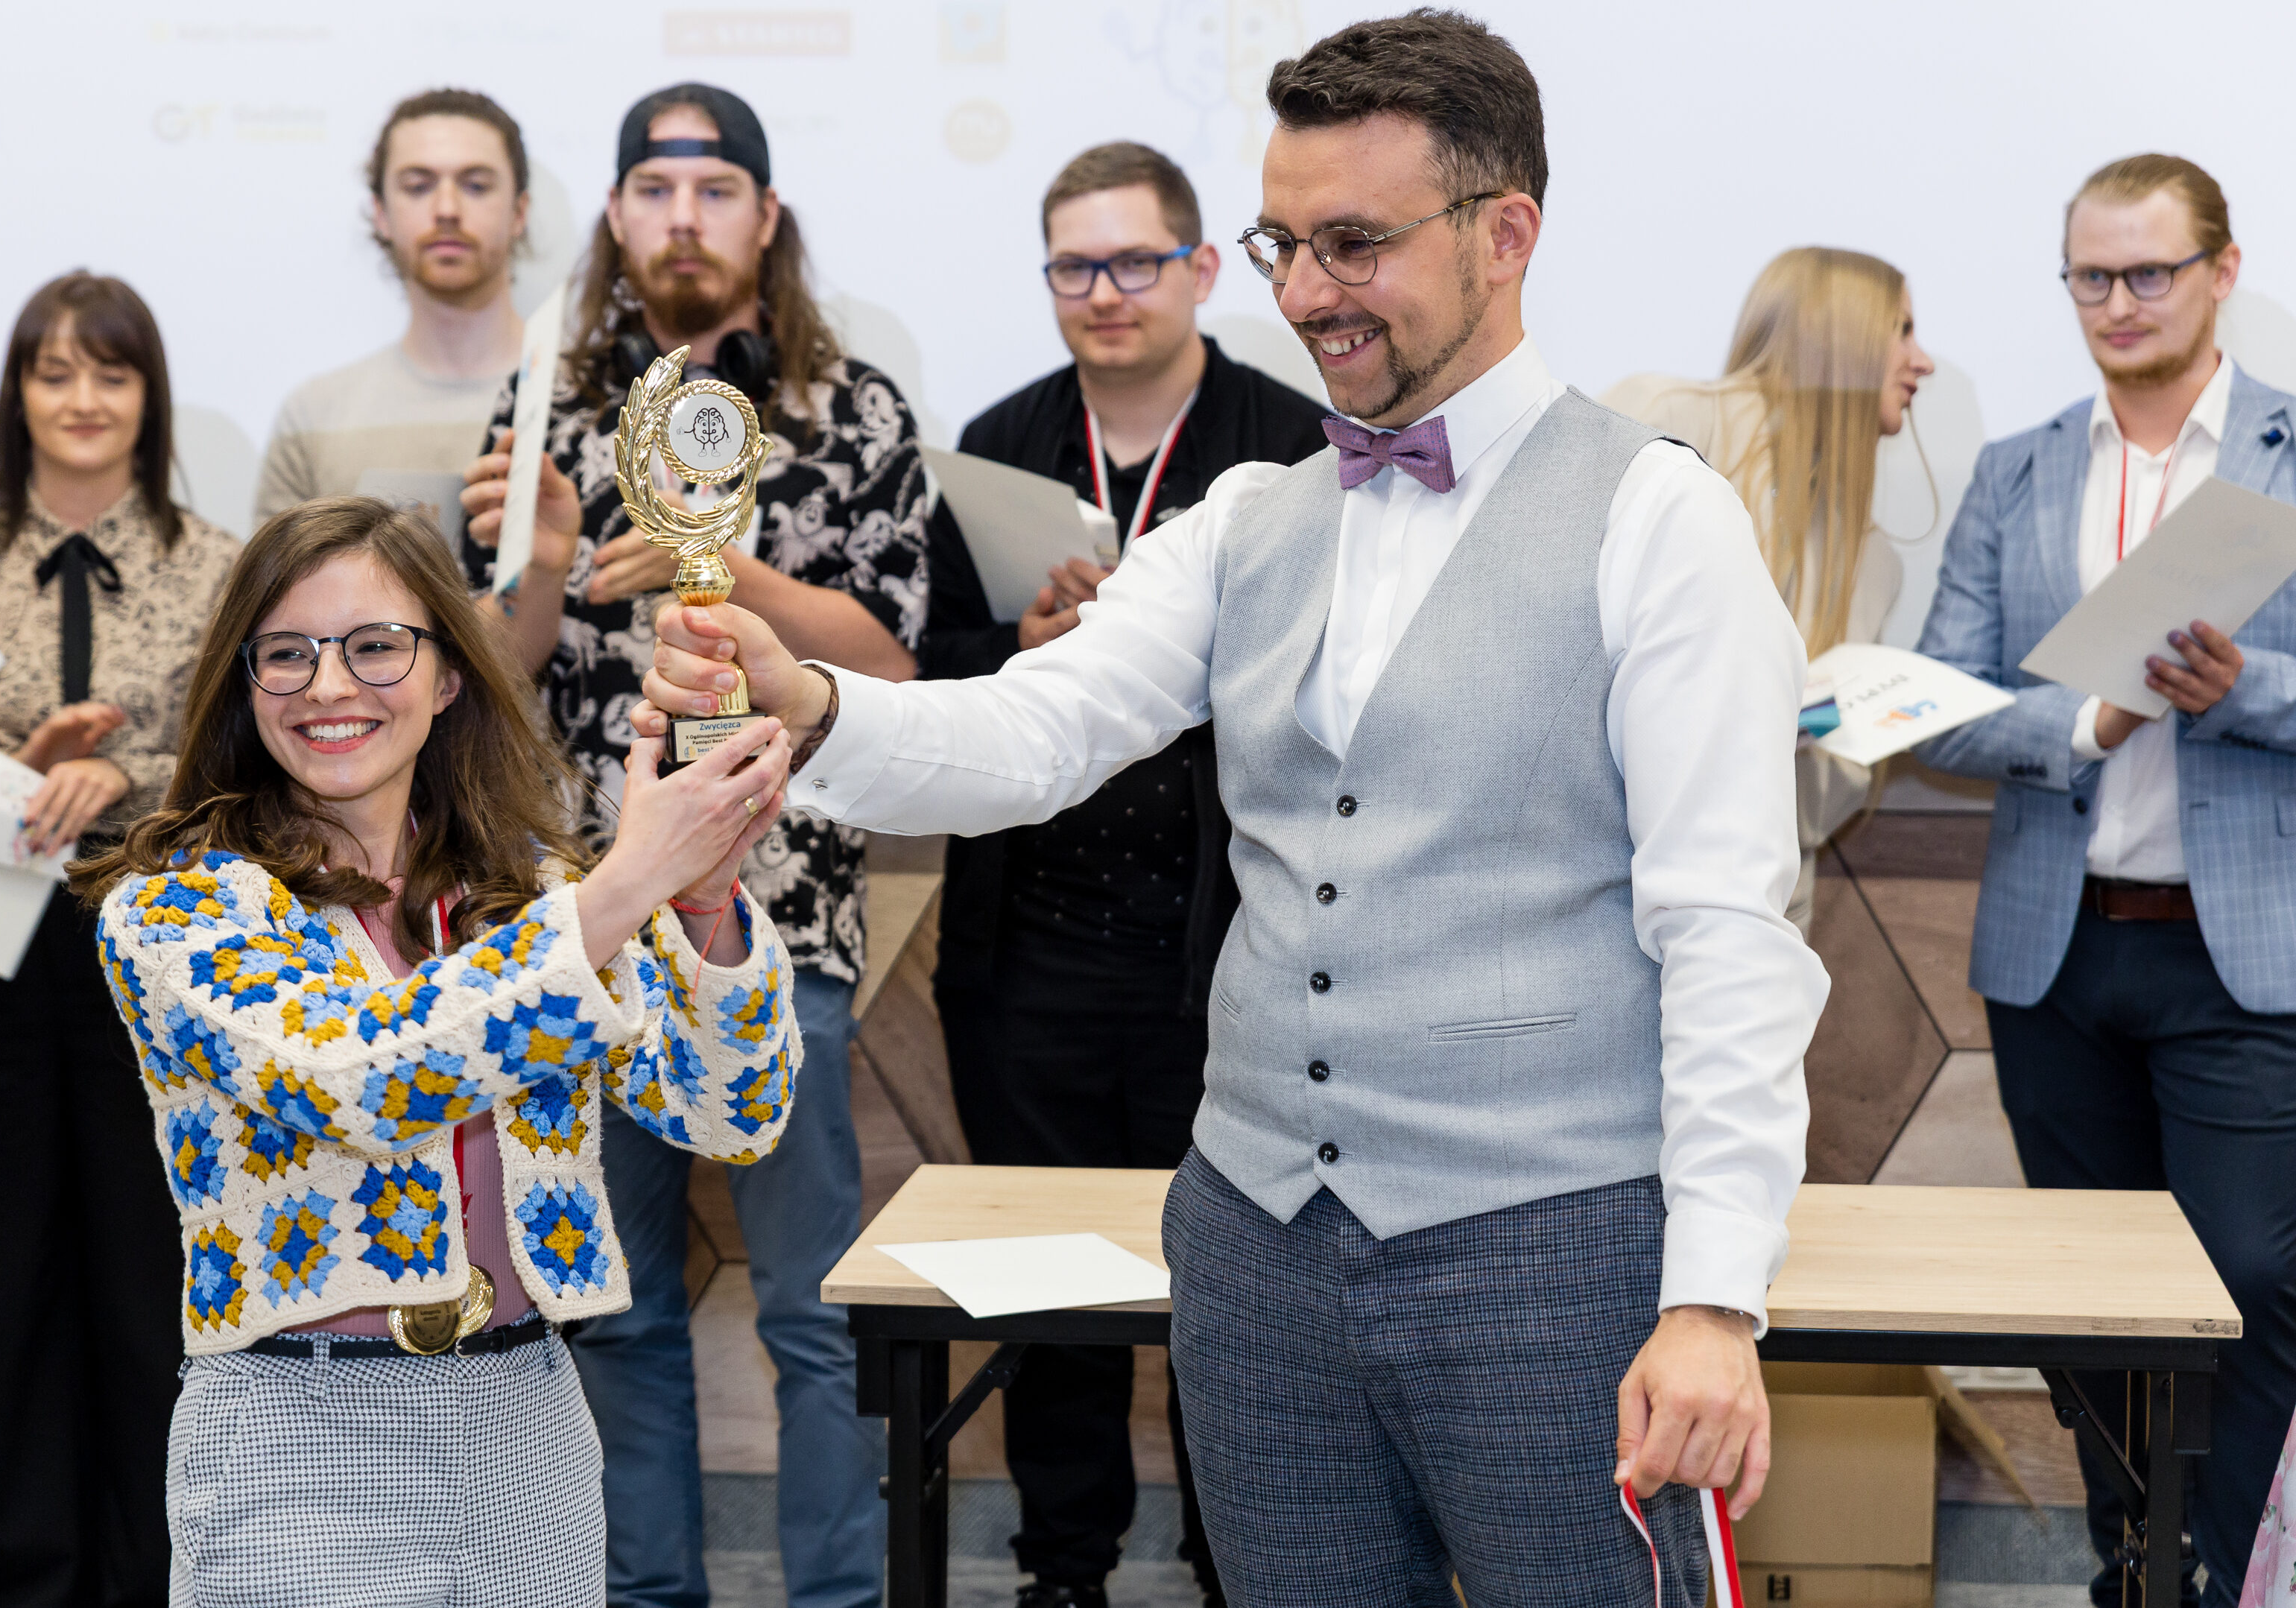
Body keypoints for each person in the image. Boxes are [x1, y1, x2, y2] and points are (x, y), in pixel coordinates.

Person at [638, 14, 1829, 1604]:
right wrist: (815, 703)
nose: (1309, 291)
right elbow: (1037, 731)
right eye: (1284, 243)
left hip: (1552, 1250)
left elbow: (1730, 930)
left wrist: (1715, 1300)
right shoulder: (1246, 516)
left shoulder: (1660, 519)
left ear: (1507, 233)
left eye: (1356, 243)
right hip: (1255, 1247)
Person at [75, 497, 799, 1602]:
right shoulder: (176, 909)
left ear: (449, 675)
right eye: (287, 653)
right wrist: (625, 885)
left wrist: (702, 898)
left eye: (376, 646)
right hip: (293, 1434)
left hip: (530, 1424)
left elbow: (730, 1115)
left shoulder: (532, 893)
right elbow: (354, 1079)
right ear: (242, 684)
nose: (329, 685)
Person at [459, 80, 927, 1608]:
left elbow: (899, 669)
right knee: (616, 1311)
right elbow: (486, 680)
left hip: (780, 924)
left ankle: (839, 1597)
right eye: (654, 190)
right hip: (581, 923)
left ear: (766, 216)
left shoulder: (856, 410)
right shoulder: (540, 408)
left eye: (715, 189)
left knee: (816, 1312)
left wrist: (725, 566)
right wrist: (542, 565)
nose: (683, 218)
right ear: (614, 215)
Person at [919, 138, 1325, 1608]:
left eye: (1135, 261)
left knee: (1239, 1291)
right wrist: (1026, 646)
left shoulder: (1292, 441)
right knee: (1049, 1282)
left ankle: (1241, 1565)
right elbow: (932, 665)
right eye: (1074, 267)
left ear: (1203, 269)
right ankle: (1064, 1568)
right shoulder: (998, 442)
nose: (1105, 292)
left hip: (1230, 950)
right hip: (1031, 947)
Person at [1911, 153, 2296, 1608]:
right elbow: (1937, 702)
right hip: (2057, 955)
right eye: (2092, 275)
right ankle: (2132, 1564)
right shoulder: (2017, 469)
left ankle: (2215, 1578)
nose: (2119, 301)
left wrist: (2245, 688)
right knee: (2085, 1302)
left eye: (2150, 271)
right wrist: (2085, 722)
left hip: (2243, 959)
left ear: (2222, 271)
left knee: (2248, 1282)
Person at [0, 270, 241, 1607]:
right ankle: (1, 1577)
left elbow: (249, 758)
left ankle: (162, 1574)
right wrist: (19, 770)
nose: (83, 399)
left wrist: (127, 774)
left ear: (150, 395)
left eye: (111, 372)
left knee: (150, 1275)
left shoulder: (216, 563)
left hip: (157, 954)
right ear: (18, 395)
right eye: (54, 373)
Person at [1604, 247, 1938, 931]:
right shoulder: (1662, 419)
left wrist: (1818, 724)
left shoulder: (1872, 562)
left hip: (1767, 914)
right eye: (1901, 329)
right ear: (1839, 331)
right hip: (1611, 895)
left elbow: (1816, 807)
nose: (1923, 361)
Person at [253, 89, 531, 548]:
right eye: (418, 186)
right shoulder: (313, 416)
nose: (447, 210)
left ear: (519, 212)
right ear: (380, 213)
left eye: (476, 185)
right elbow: (272, 591)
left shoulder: (600, 402)